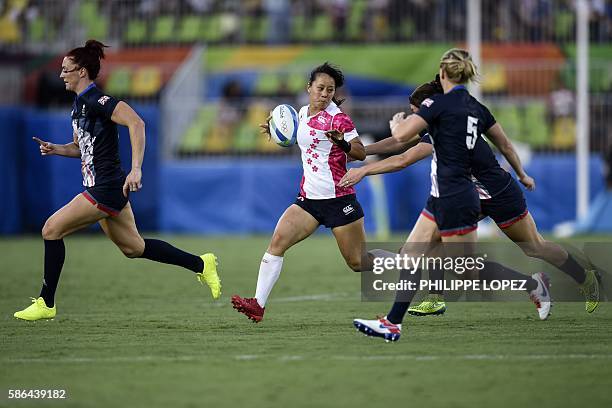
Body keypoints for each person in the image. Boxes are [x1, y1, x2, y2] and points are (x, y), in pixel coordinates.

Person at [343, 49, 599, 341]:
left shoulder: (439, 112)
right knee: (414, 253)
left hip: (492, 192)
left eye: (416, 112)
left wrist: (367, 163)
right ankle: (402, 317)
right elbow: (503, 145)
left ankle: (578, 278)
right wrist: (523, 173)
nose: (416, 117)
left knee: (531, 248)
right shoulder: (466, 109)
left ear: (442, 74)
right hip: (460, 192)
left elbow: (403, 148)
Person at [14, 40, 221, 322]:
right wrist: (57, 149)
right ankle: (201, 263)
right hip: (102, 188)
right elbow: (81, 149)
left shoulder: (99, 101)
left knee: (51, 229)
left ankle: (46, 302)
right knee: (134, 248)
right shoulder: (78, 107)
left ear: (82, 71)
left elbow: (137, 123)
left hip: (106, 188)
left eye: (66, 69)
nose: (61, 74)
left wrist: (136, 168)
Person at [231, 62, 367, 323]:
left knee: (358, 263)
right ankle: (257, 304)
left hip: (339, 199)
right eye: (320, 88)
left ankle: (410, 263)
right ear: (309, 88)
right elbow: (297, 135)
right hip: (308, 201)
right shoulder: (302, 113)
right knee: (277, 244)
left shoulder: (339, 119)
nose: (325, 93)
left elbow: (360, 152)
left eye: (330, 90)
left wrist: (341, 142)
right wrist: (273, 129)